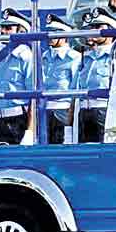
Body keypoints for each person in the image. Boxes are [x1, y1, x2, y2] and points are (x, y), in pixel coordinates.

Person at [75, 8, 116, 143]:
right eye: (91, 27)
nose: (93, 30)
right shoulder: (86, 57)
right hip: (85, 110)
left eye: (98, 26)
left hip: (104, 109)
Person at [0, 9, 35, 145]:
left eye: (8, 28)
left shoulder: (27, 57)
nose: (3, 32)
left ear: (21, 31)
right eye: (2, 27)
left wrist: (30, 130)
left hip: (18, 121)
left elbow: (35, 97)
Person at [41, 15, 81, 145]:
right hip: (44, 111)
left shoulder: (74, 58)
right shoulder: (44, 57)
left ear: (64, 35)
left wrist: (70, 121)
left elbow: (76, 91)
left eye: (55, 32)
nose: (50, 35)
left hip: (63, 111)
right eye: (49, 31)